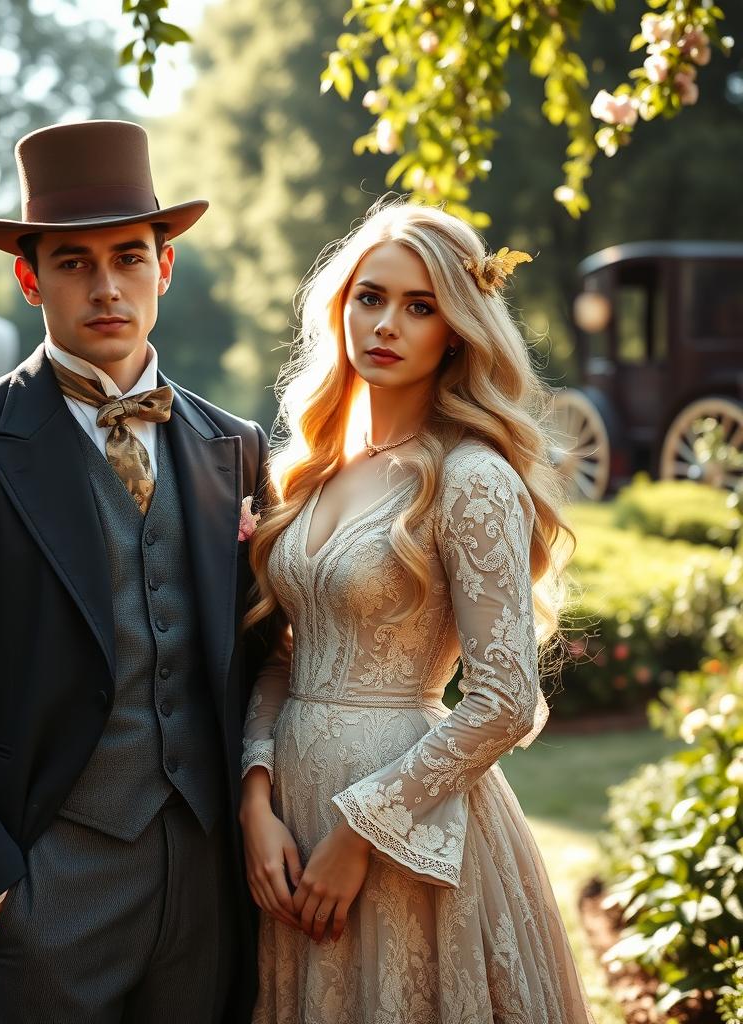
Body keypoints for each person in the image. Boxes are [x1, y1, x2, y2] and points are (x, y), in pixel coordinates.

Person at [0, 120, 269, 1024]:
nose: (107, 285)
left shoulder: (233, 446)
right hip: (43, 882)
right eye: (74, 263)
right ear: (30, 276)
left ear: (165, 267)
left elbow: (257, 662)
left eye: (128, 255)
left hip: (204, 883)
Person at [239, 198, 596, 1022]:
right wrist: (255, 800)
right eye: (371, 298)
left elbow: (506, 701)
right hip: (288, 826)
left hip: (409, 832)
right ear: (341, 309)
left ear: (458, 330)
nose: (387, 324)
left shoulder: (471, 477)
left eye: (419, 305)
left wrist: (360, 832)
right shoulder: (313, 472)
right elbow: (283, 659)